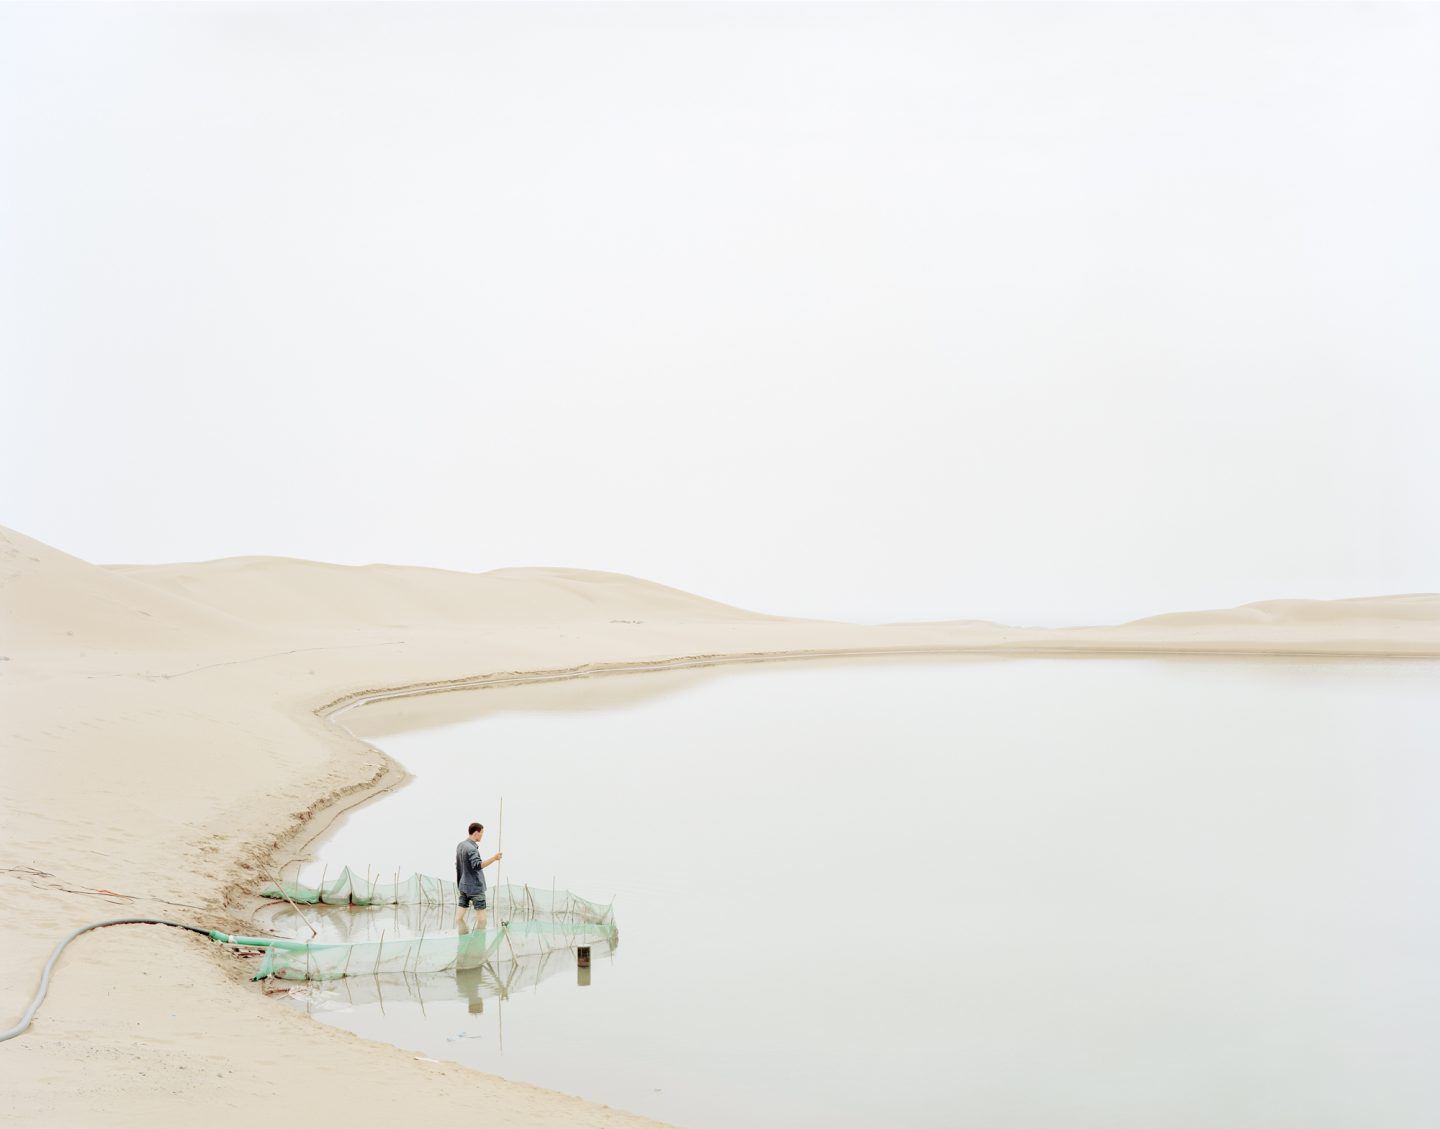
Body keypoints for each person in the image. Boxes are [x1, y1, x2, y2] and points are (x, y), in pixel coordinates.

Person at [455, 821, 502, 933]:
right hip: (475, 887)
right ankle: (478, 945)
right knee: (482, 920)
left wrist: (460, 883)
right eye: (481, 833)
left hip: (463, 886)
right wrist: (494, 858)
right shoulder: (471, 848)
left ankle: (462, 943)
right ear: (476, 833)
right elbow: (477, 866)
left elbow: (458, 866)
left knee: (459, 917)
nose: (482, 836)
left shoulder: (460, 845)